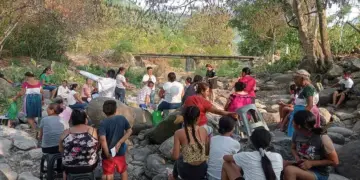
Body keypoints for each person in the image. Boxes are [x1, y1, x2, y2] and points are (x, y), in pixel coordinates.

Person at [283, 110, 339, 180]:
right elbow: (293, 148)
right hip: (302, 165)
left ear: (299, 126)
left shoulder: (322, 138)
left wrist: (311, 163)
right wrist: (296, 157)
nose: (292, 123)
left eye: (293, 121)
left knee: (290, 170)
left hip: (319, 172)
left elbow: (335, 161)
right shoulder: (296, 133)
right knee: (281, 163)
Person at [169, 106, 208, 180]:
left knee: (179, 157)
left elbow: (175, 157)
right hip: (202, 171)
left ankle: (173, 177)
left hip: (186, 173)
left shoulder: (178, 133)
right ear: (198, 118)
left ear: (184, 118)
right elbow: (206, 152)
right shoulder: (204, 130)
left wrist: (175, 152)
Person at [59, 110, 99, 179]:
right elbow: (96, 147)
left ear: (71, 120)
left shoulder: (65, 132)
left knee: (64, 165)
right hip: (89, 166)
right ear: (85, 120)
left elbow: (61, 150)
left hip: (70, 167)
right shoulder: (92, 131)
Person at [99, 100, 132, 180]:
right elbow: (130, 131)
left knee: (108, 173)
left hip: (108, 154)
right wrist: (120, 142)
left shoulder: (103, 123)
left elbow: (102, 139)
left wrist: (107, 154)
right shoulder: (122, 118)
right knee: (123, 170)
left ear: (104, 111)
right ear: (116, 109)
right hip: (120, 152)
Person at [288, 69, 320, 137]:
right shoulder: (303, 87)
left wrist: (301, 118)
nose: (294, 81)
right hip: (302, 111)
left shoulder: (308, 88)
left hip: (306, 113)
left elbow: (310, 105)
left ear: (302, 79)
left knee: (304, 132)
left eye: (296, 79)